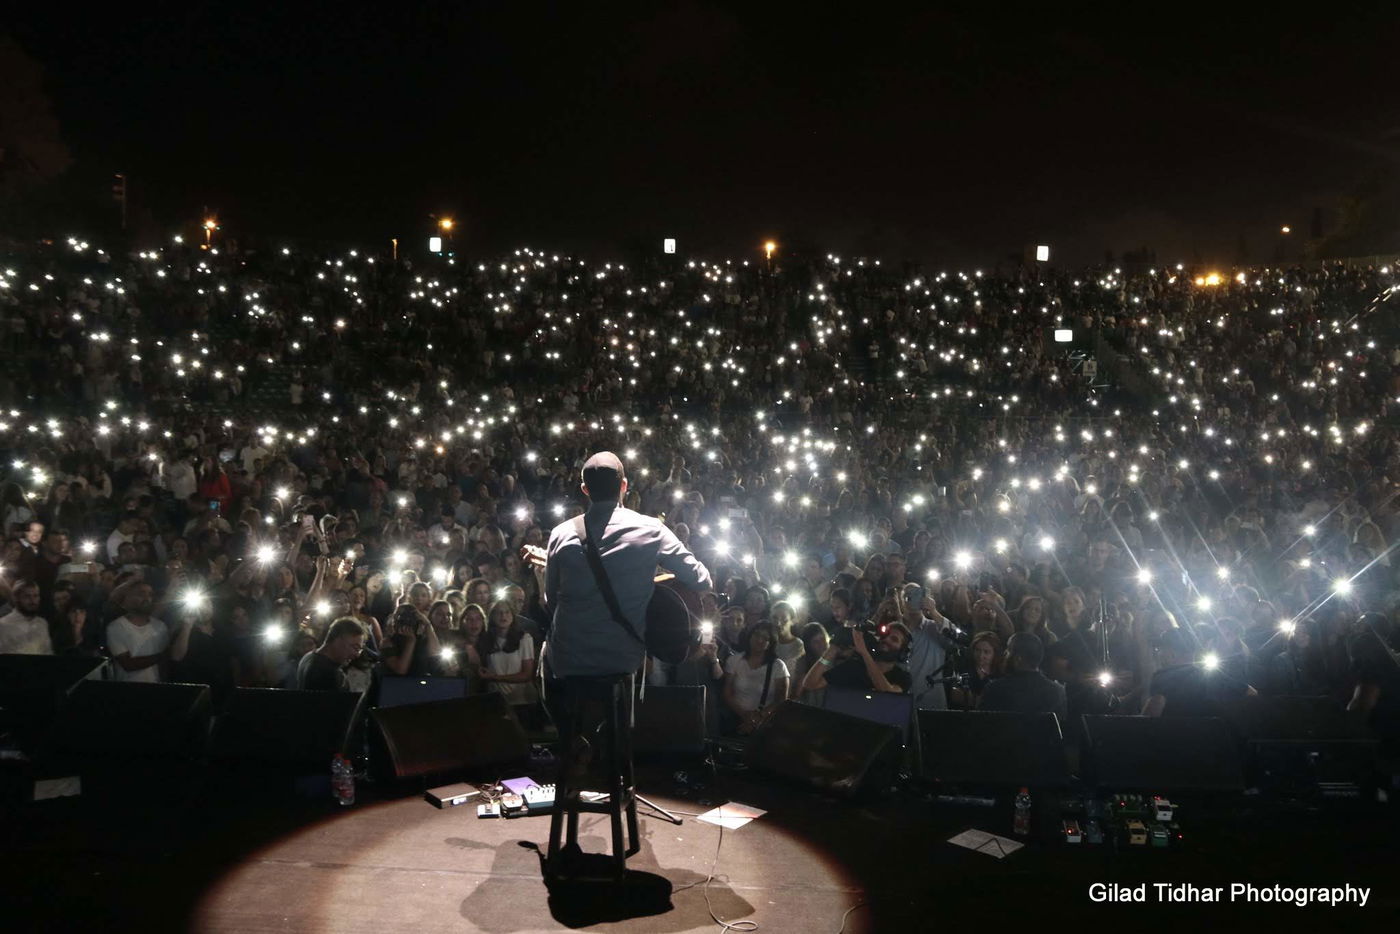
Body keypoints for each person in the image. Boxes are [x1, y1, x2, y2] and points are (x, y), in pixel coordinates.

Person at [1142, 627, 1255, 717]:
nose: (1158, 654)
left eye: (1160, 650)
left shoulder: (1163, 677)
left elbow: (1151, 717)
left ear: (1172, 654)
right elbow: (1251, 692)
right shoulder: (1214, 675)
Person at [799, 621, 914, 695]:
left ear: (903, 652)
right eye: (884, 636)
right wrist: (832, 649)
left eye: (894, 639)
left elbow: (887, 692)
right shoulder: (854, 666)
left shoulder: (902, 677)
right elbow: (810, 684)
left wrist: (864, 652)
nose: (886, 640)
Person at [978, 632, 1068, 724]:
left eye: (1008, 650)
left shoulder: (994, 689)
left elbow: (981, 726)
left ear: (1018, 658)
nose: (1005, 655)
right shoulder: (1058, 692)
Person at [722, 621, 790, 734]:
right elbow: (727, 693)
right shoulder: (734, 660)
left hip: (766, 722)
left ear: (771, 643)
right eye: (757, 634)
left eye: (765, 638)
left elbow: (781, 699)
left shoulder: (778, 666)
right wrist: (744, 715)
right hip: (736, 717)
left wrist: (758, 718)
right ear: (750, 635)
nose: (759, 640)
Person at [106, 584, 171, 683]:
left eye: (150, 594)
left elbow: (165, 665)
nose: (147, 598)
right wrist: (162, 656)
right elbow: (128, 664)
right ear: (128, 599)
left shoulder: (160, 626)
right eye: (141, 594)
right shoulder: (116, 627)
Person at [296, 617, 367, 691]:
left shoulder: (307, 657)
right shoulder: (331, 674)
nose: (357, 654)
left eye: (359, 650)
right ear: (338, 641)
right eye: (355, 648)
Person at [0, 579, 53, 655]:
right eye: (27, 596)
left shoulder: (42, 623)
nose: (32, 601)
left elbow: (48, 653)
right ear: (16, 598)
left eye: (35, 596)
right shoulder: (3, 625)